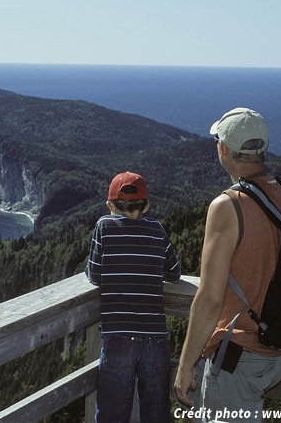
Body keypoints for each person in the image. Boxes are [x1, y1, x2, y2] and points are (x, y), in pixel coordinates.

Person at [173, 108, 281, 422]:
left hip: (241, 353)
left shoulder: (228, 206)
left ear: (223, 148)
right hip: (279, 349)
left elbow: (210, 298)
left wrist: (186, 366)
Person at [86, 171, 182, 423]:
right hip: (155, 340)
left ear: (110, 205)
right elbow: (174, 273)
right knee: (157, 412)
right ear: (147, 205)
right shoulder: (157, 229)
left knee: (112, 413)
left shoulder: (104, 226)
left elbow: (94, 274)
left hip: (118, 337)